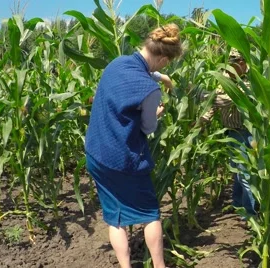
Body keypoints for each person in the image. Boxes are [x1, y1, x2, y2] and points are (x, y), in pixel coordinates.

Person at [84, 23, 182, 268]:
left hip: (96, 154)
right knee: (149, 213)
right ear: (161, 57)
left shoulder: (117, 63)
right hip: (123, 159)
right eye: (165, 64)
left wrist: (161, 76)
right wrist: (157, 114)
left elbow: (136, 72)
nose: (164, 67)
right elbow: (147, 128)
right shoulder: (150, 91)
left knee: (116, 218)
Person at [198, 48, 257, 217]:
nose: (227, 70)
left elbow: (227, 100)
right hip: (232, 132)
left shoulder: (252, 81)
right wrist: (203, 120)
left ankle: (250, 213)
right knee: (237, 172)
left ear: (242, 64)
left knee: (246, 174)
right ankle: (238, 204)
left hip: (250, 133)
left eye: (232, 66)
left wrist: (197, 93)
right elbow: (214, 103)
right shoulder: (226, 77)